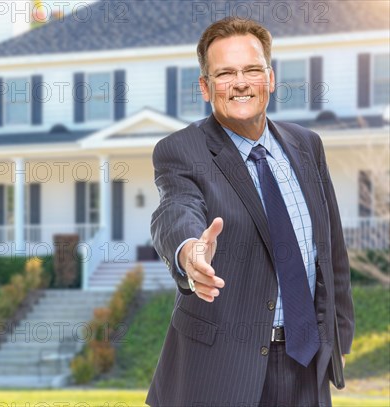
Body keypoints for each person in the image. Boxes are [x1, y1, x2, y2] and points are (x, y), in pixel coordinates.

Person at [146, 17, 354, 407]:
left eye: (252, 70)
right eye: (225, 73)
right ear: (206, 88)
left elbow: (330, 249)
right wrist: (189, 252)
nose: (240, 82)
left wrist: (338, 336)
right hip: (221, 372)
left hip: (306, 363)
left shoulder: (307, 145)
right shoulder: (181, 150)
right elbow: (175, 209)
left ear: (270, 79)